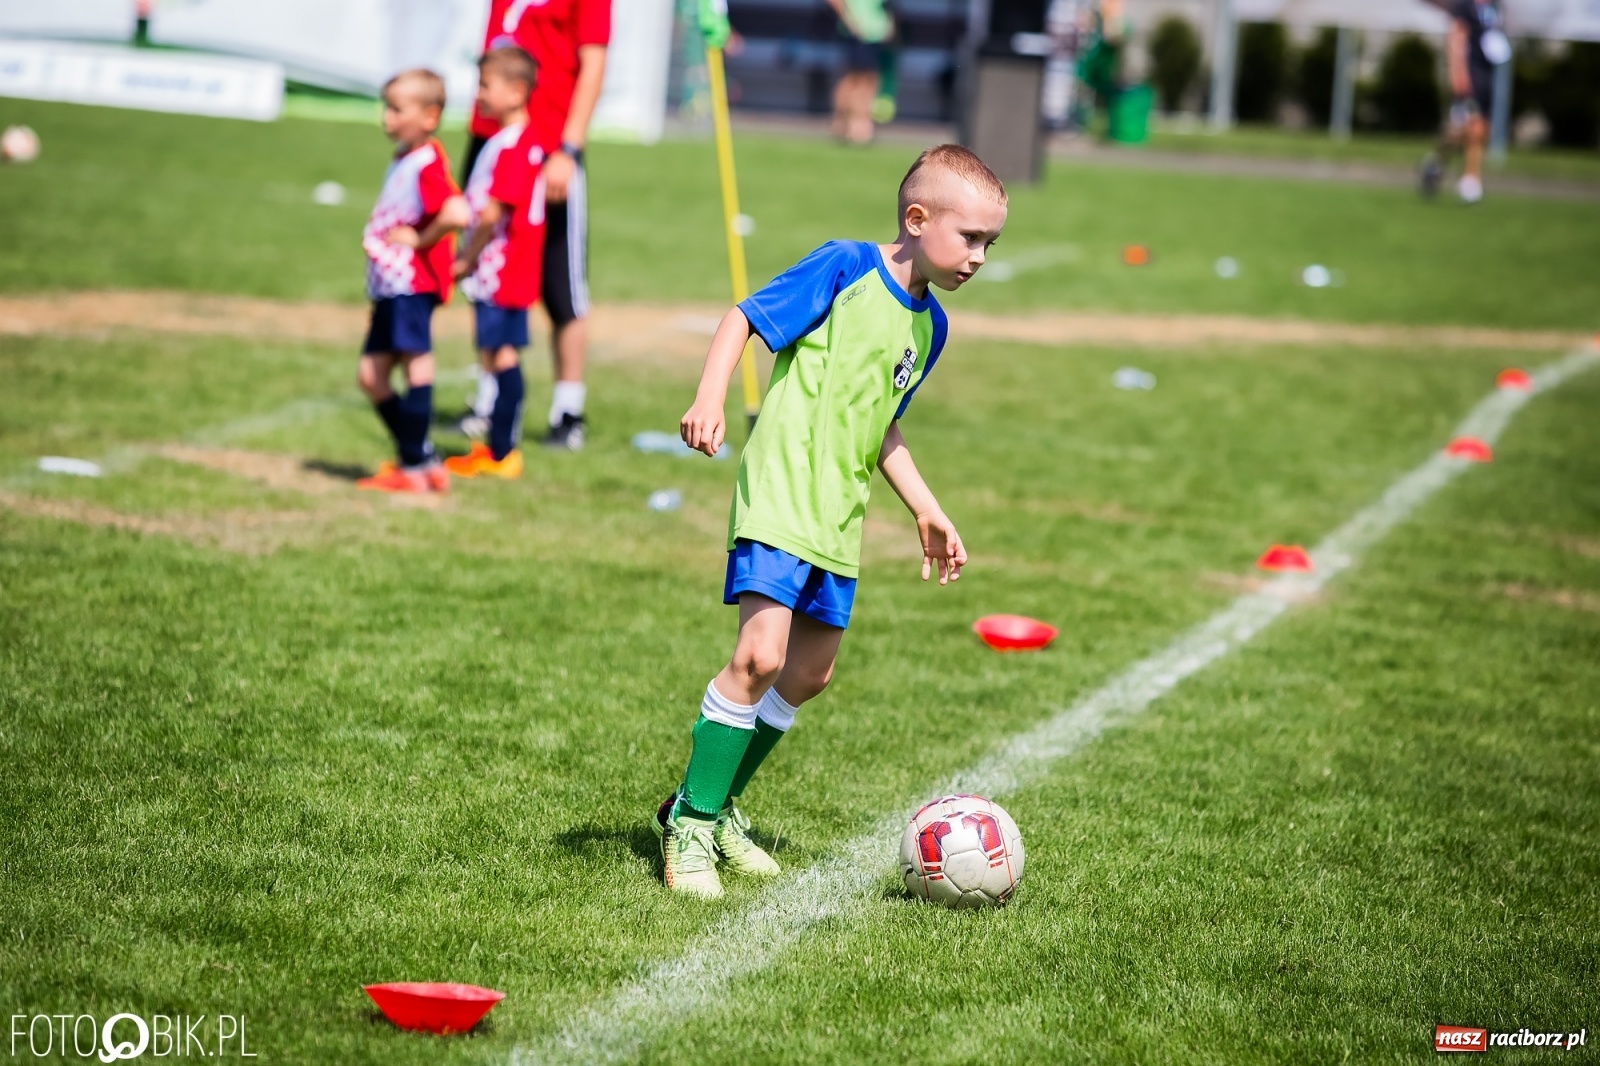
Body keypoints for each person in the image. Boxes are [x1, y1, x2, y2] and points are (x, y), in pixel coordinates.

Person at [652, 145, 1009, 899]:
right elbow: (744, 318)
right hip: (782, 491)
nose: (979, 256)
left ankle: (714, 805)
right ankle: (691, 822)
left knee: (809, 674)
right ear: (917, 219)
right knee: (759, 658)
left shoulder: (931, 328)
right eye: (970, 237)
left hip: (839, 513)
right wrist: (710, 397)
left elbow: (883, 424)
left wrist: (926, 506)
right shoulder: (846, 267)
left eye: (990, 243)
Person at [460, 0, 610, 451]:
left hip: (548, 147)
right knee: (489, 278)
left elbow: (593, 62)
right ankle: (488, 405)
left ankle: (568, 411)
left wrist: (569, 148)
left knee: (562, 287)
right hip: (492, 139)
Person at [355, 69, 468, 495]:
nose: (387, 117)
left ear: (429, 116)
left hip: (411, 284)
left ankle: (415, 466)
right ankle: (419, 457)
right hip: (390, 286)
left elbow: (457, 212)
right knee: (371, 376)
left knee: (415, 363)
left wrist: (421, 239)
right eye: (386, 107)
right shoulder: (405, 157)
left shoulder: (427, 163)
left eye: (397, 109)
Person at [447, 47, 546, 481]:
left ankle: (503, 452)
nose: (479, 94)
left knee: (502, 355)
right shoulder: (510, 140)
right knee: (492, 354)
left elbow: (493, 212)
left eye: (486, 85)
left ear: (517, 91)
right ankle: (493, 446)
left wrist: (465, 257)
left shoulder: (516, 144)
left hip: (502, 270)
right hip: (503, 269)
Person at [1421, 0, 1509, 204]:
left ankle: (1435, 163)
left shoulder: (1494, 8)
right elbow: (1456, 40)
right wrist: (1458, 76)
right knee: (1474, 128)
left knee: (1473, 130)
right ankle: (1471, 182)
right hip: (1469, 76)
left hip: (1487, 77)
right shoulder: (1464, 7)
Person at [825, 0, 895, 144]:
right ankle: (842, 122)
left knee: (869, 79)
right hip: (858, 33)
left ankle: (860, 124)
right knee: (853, 79)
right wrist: (849, 21)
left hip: (875, 33)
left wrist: (889, 24)